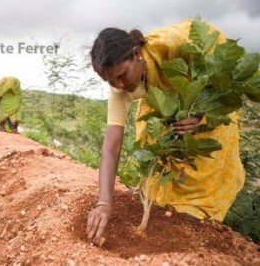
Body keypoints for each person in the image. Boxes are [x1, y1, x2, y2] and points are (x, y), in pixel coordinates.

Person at [86, 20, 245, 245]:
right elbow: (111, 146)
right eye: (111, 81)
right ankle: (168, 218)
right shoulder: (119, 88)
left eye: (122, 75)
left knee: (203, 173)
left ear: (136, 54)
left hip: (207, 102)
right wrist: (104, 202)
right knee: (161, 165)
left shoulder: (173, 43)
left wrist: (199, 112)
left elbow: (220, 67)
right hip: (164, 105)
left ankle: (200, 234)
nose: (119, 85)